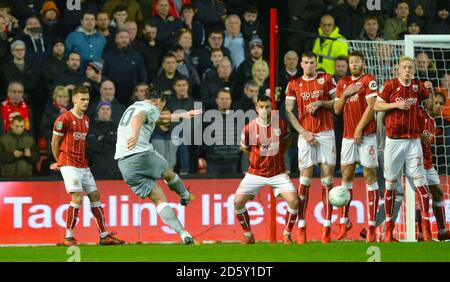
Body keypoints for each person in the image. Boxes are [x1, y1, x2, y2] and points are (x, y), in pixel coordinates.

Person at [114, 90, 201, 244]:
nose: (160, 109)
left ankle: (183, 233)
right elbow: (139, 118)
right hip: (141, 154)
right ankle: (185, 195)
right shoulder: (150, 107)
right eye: (162, 106)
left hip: (124, 164)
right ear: (159, 101)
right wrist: (135, 135)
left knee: (159, 199)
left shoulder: (134, 105)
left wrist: (183, 115)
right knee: (168, 172)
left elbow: (158, 119)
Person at [50, 86, 125, 247]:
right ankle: (68, 236)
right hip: (69, 163)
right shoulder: (64, 119)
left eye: (87, 99)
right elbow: (54, 142)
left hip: (83, 164)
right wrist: (59, 161)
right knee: (76, 197)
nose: (85, 102)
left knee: (95, 195)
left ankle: (104, 236)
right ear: (74, 99)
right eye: (82, 99)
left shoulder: (86, 119)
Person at [374, 56, 434, 242]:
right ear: (398, 69)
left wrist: (430, 92)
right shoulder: (390, 85)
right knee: (391, 185)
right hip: (393, 142)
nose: (407, 70)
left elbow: (430, 107)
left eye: (410, 67)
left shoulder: (417, 87)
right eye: (404, 67)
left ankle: (427, 232)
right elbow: (376, 105)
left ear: (414, 70)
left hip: (413, 142)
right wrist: (396, 105)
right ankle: (389, 233)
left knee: (421, 185)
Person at [285, 51, 337, 244]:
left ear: (316, 64)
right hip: (305, 135)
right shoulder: (294, 84)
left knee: (327, 181)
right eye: (305, 62)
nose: (309, 65)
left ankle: (327, 226)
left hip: (326, 134)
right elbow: (289, 112)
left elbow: (337, 104)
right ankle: (301, 227)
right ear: (301, 63)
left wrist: (321, 102)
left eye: (312, 62)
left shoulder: (326, 79)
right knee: (304, 182)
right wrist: (303, 132)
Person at [234, 96, 299, 244]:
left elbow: (287, 141)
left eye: (267, 106)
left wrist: (280, 154)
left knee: (294, 202)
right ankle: (248, 234)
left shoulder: (281, 125)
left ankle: (287, 234)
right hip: (255, 172)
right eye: (261, 107)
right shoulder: (248, 128)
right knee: (238, 202)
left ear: (272, 108)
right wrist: (255, 159)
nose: (264, 109)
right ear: (256, 108)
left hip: (278, 172)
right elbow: (244, 148)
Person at [334, 51, 379, 242]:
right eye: (351, 62)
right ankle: (344, 223)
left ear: (363, 63)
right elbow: (336, 110)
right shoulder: (343, 83)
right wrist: (344, 94)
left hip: (366, 135)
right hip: (347, 137)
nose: (354, 64)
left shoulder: (369, 80)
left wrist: (359, 129)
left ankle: (371, 226)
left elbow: (371, 106)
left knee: (369, 175)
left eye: (357, 61)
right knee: (346, 176)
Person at [414, 93, 450, 241]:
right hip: (415, 163)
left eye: (441, 104)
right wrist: (418, 135)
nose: (439, 106)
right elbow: (408, 129)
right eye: (436, 102)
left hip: (428, 164)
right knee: (422, 196)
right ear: (428, 101)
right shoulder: (419, 114)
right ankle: (422, 233)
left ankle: (442, 231)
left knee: (438, 193)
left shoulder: (434, 122)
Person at [87, 101, 121, 179]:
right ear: (98, 112)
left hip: (115, 170)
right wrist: (110, 140)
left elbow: (119, 145)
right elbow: (93, 146)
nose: (105, 111)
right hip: (98, 168)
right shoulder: (91, 128)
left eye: (108, 109)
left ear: (111, 112)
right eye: (103, 109)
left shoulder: (117, 127)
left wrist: (103, 138)